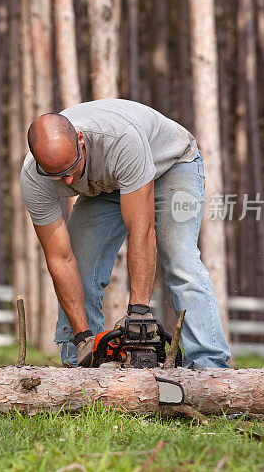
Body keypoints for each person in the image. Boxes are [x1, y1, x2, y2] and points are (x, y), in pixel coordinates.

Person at [20, 98, 231, 368]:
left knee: (180, 260)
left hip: (172, 166)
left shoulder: (119, 139)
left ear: (81, 140)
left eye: (71, 168)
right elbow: (60, 258)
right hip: (108, 185)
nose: (69, 181)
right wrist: (82, 336)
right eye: (58, 175)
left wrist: (139, 312)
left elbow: (141, 231)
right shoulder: (33, 180)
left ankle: (209, 367)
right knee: (82, 265)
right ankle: (80, 364)